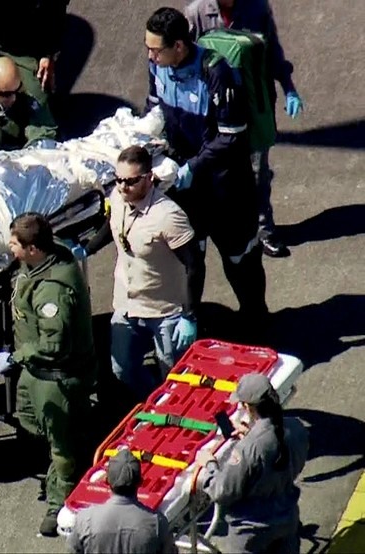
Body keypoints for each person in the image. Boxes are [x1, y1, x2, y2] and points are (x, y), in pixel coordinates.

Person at [145, 7, 269, 334]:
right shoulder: (157, 66)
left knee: (240, 260)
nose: (150, 55)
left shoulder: (217, 73)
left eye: (156, 49)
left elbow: (232, 136)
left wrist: (191, 169)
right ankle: (191, 323)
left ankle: (257, 323)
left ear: (180, 47)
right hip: (187, 189)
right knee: (189, 259)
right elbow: (154, 107)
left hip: (225, 188)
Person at [0, 213, 94, 537]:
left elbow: (53, 344)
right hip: (39, 372)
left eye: (15, 244)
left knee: (62, 445)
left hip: (55, 377)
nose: (10, 247)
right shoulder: (48, 253)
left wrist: (15, 357)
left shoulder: (51, 291)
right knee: (42, 431)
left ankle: (61, 502)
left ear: (33, 248)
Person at [184, 0, 303, 258]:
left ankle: (265, 232)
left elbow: (272, 52)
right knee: (219, 172)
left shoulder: (256, 8)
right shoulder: (196, 13)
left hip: (255, 107)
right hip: (216, 110)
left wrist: (289, 88)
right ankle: (225, 230)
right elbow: (184, 56)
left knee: (258, 174)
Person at [85, 145, 203, 401]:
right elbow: (113, 226)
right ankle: (156, 404)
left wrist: (189, 315)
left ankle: (177, 413)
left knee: (176, 376)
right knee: (122, 369)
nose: (123, 187)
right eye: (118, 180)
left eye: (131, 181)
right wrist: (87, 248)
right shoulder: (118, 198)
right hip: (127, 303)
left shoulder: (168, 216)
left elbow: (194, 265)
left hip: (164, 310)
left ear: (149, 178)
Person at [196, 372, 310, 553]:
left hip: (251, 531)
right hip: (287, 517)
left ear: (248, 407)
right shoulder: (296, 428)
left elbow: (222, 491)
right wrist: (252, 433)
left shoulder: (247, 449)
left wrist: (210, 465)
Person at [67, 449, 178, 553]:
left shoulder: (85, 519)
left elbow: (73, 549)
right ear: (140, 482)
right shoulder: (157, 523)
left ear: (106, 480)